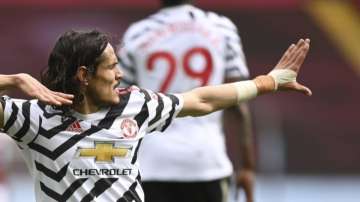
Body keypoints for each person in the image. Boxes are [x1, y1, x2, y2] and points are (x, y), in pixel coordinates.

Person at [0, 29, 311, 202]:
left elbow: (199, 99)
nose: (120, 74)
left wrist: (267, 82)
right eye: (112, 67)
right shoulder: (34, 118)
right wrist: (14, 80)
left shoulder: (136, 105)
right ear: (85, 74)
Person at [117, 0, 256, 201]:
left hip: (152, 163)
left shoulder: (137, 34)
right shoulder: (221, 28)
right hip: (208, 162)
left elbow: (122, 103)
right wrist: (248, 166)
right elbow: (238, 102)